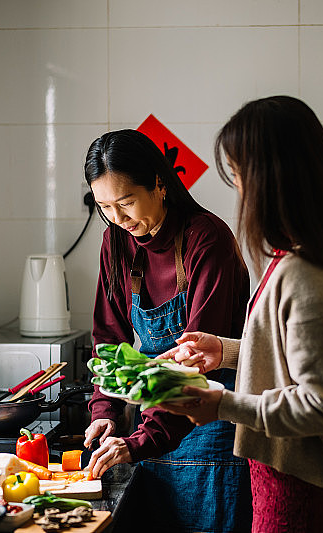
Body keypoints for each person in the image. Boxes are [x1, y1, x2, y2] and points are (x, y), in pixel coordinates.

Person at [159, 95, 323, 533]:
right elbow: (297, 359)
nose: (240, 192)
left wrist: (223, 404)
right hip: (298, 478)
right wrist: (224, 352)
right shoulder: (306, 258)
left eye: (240, 176)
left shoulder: (308, 275)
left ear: (271, 181)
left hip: (306, 490)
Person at [82, 129, 252, 532]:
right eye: (105, 207)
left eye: (126, 203)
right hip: (152, 425)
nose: (118, 219)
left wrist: (140, 440)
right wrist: (104, 411)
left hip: (209, 420)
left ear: (160, 183)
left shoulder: (206, 238)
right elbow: (109, 338)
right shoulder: (115, 242)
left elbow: (194, 362)